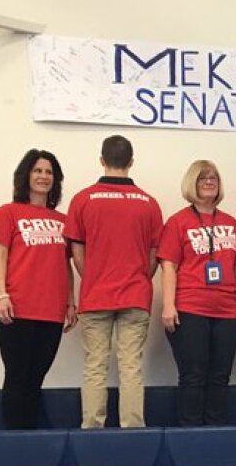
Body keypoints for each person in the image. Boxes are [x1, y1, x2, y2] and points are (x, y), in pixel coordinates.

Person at [65, 135, 163, 428]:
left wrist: (93, 276)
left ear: (102, 160)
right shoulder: (148, 203)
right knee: (131, 366)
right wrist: (138, 277)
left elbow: (76, 251)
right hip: (135, 294)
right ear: (131, 162)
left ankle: (92, 429)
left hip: (96, 294)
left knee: (95, 366)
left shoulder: (83, 199)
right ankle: (133, 429)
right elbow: (155, 253)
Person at [0, 149, 77, 429]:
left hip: (51, 312)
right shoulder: (8, 213)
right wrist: (2, 296)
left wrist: (71, 303)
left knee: (36, 379)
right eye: (38, 171)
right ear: (26, 175)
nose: (43, 177)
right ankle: (13, 441)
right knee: (17, 377)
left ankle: (30, 440)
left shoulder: (63, 221)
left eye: (49, 172)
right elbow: (0, 256)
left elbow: (65, 264)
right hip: (17, 309)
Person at [158, 160, 236, 426]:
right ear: (192, 183)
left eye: (214, 178)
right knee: (193, 375)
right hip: (190, 309)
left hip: (226, 310)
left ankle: (214, 433)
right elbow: (169, 265)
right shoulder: (178, 222)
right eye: (203, 178)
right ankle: (190, 433)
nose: (209, 182)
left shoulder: (230, 222)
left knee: (220, 376)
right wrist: (168, 305)